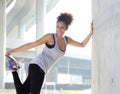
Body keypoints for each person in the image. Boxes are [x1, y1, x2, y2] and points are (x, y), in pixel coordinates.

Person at [6, 12, 93, 94]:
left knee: (22, 93)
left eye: (62, 27)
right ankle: (14, 70)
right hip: (38, 67)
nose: (59, 29)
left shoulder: (67, 40)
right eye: (57, 26)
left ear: (66, 28)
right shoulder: (50, 37)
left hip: (39, 68)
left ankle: (14, 70)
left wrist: (91, 33)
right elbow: (33, 44)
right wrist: (12, 51)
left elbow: (82, 45)